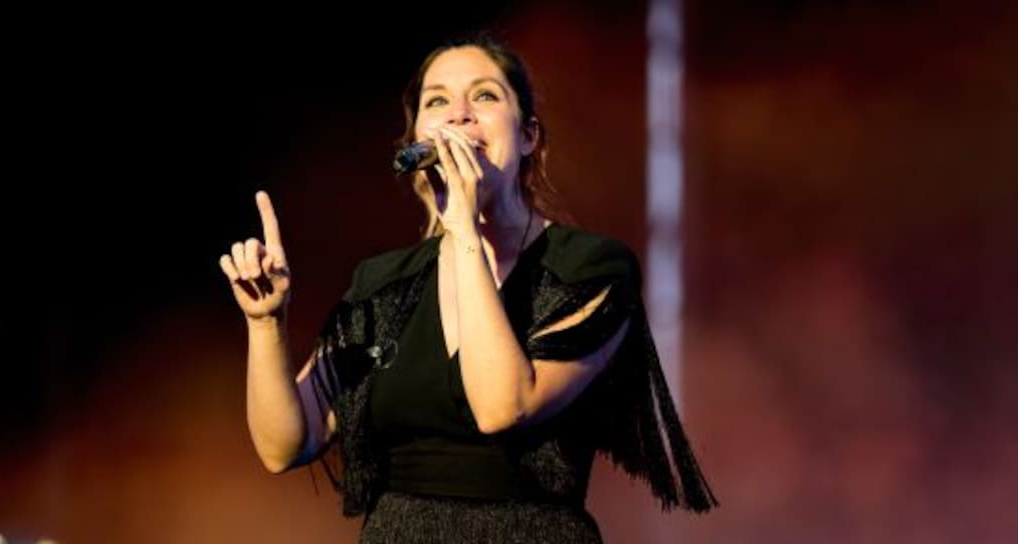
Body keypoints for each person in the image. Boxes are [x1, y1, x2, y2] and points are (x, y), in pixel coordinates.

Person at [219, 35, 717, 543]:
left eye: (484, 95)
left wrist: (462, 228)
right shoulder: (384, 283)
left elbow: (502, 407)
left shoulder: (587, 267)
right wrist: (265, 323)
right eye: (437, 101)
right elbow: (285, 445)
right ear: (416, 141)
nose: (459, 114)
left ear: (528, 136)